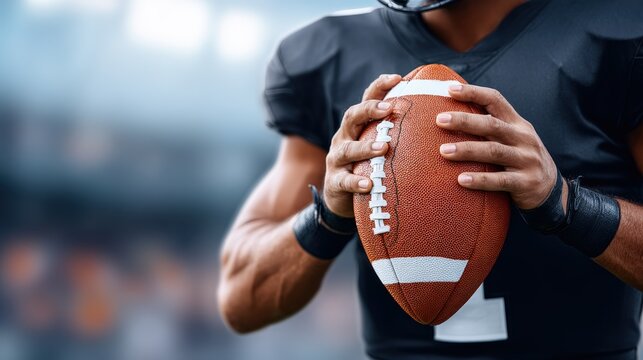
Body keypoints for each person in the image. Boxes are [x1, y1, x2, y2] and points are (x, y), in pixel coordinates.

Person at [217, 0, 643, 358]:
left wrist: (567, 204)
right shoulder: (327, 53)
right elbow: (240, 299)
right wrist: (327, 216)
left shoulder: (619, 32)